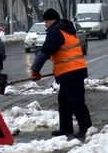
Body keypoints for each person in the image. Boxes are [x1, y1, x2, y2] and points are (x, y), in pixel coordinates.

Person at [30, 8, 92, 139]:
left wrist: (35, 70)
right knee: (64, 101)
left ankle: (86, 128)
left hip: (71, 71)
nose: (45, 24)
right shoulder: (66, 30)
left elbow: (46, 51)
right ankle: (66, 128)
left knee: (76, 101)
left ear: (53, 20)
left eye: (46, 21)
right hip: (73, 70)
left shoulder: (55, 32)